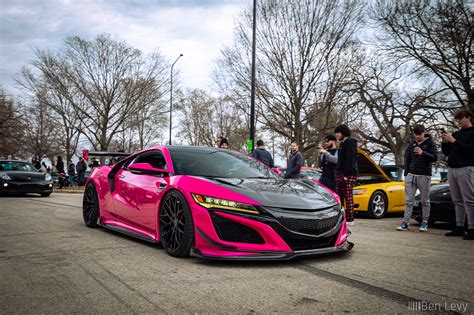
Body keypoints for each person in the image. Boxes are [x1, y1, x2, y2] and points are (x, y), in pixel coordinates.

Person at [397, 125, 438, 232]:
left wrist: (422, 153)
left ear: (424, 132)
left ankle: (424, 223)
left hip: (424, 175)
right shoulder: (412, 143)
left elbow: (435, 158)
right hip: (411, 175)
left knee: (425, 201)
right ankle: (405, 222)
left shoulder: (431, 143)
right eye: (416, 134)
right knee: (409, 201)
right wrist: (406, 173)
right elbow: (408, 159)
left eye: (419, 134)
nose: (417, 137)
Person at [442, 109, 474, 240]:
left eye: (461, 118)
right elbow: (447, 152)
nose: (459, 121)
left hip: (466, 168)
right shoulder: (456, 133)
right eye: (457, 119)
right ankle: (459, 227)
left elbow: (470, 151)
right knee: (457, 200)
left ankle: (472, 228)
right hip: (452, 168)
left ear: (469, 117)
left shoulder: (473, 133)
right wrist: (445, 141)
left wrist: (453, 141)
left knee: (469, 200)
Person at [334, 124, 358, 225]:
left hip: (349, 174)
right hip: (341, 173)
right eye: (336, 133)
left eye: (338, 133)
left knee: (348, 197)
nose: (337, 135)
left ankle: (350, 219)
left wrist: (346, 174)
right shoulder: (342, 144)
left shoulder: (350, 142)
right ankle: (342, 218)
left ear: (343, 132)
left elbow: (350, 159)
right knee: (340, 196)